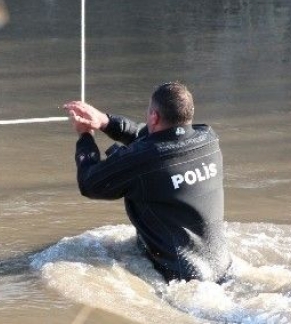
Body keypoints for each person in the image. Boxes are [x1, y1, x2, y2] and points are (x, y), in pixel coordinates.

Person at [63, 82, 231, 283]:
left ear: (154, 116)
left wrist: (85, 136)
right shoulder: (208, 139)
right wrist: (105, 121)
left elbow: (89, 183)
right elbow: (150, 138)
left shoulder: (143, 161)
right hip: (223, 267)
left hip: (181, 280)